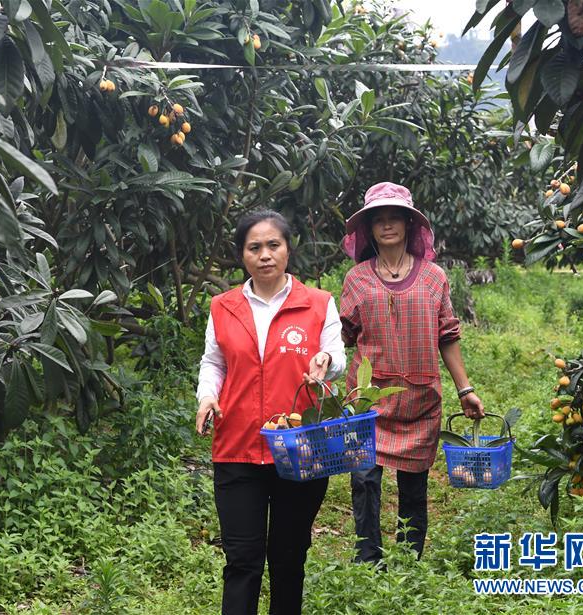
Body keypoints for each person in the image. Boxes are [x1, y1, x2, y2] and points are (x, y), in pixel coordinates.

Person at [195, 210, 347, 615]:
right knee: (242, 561)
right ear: (242, 255)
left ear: (288, 249)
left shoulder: (318, 303)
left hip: (301, 448)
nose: (265, 254)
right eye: (254, 247)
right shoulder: (223, 306)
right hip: (237, 448)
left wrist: (326, 360)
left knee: (288, 558)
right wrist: (207, 396)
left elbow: (336, 355)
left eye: (273, 245)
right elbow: (214, 362)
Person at [339, 181, 485, 566]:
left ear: (409, 224)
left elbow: (447, 335)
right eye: (379, 219)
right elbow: (346, 335)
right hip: (367, 400)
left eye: (395, 218)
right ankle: (368, 559)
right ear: (369, 229)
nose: (387, 225)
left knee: (414, 484)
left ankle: (409, 559)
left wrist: (465, 389)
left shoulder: (434, 277)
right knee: (364, 479)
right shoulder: (356, 279)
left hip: (419, 399)